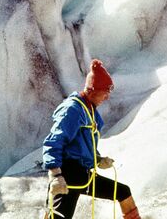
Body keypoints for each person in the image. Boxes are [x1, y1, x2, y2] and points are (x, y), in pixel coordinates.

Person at [42, 59, 141, 219]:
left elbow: (83, 144)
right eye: (105, 91)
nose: (107, 97)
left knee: (123, 192)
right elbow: (54, 141)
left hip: (82, 175)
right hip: (68, 177)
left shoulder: (89, 111)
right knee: (56, 216)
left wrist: (98, 159)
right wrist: (55, 175)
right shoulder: (73, 110)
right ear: (93, 90)